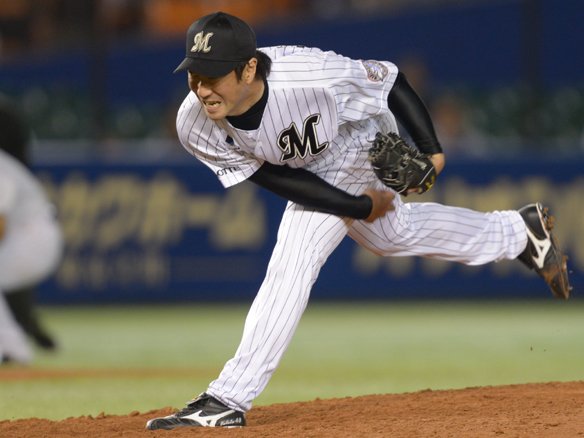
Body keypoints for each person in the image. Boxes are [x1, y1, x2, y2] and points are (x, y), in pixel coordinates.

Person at [146, 11, 571, 429]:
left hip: (358, 140)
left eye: (213, 76)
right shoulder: (193, 123)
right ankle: (519, 233)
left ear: (248, 69)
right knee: (392, 234)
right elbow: (275, 178)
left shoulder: (311, 75)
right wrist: (357, 207)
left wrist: (432, 152)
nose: (202, 88)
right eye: (194, 75)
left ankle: (227, 398)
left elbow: (390, 80)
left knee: (295, 256)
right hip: (304, 168)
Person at [0, 97, 63, 364]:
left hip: (34, 238)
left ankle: (13, 348)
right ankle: (11, 345)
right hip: (24, 235)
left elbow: (1, 225)